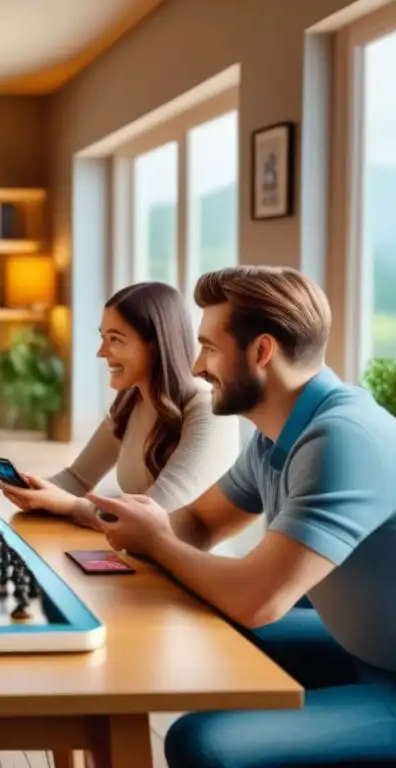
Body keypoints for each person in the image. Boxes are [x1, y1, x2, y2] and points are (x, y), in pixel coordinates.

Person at [85, 266, 396, 768]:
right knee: (190, 639)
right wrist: (140, 527)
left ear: (262, 352)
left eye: (208, 347)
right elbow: (203, 522)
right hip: (357, 644)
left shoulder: (341, 438)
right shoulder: (277, 432)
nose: (197, 364)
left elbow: (259, 601)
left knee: (203, 743)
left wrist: (159, 542)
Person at [0, 281, 240, 529]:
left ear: (155, 344)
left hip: (189, 564)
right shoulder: (131, 402)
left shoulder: (209, 411)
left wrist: (71, 506)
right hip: (138, 556)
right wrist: (22, 487)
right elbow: (75, 480)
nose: (101, 352)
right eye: (103, 337)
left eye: (115, 339)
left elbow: (151, 516)